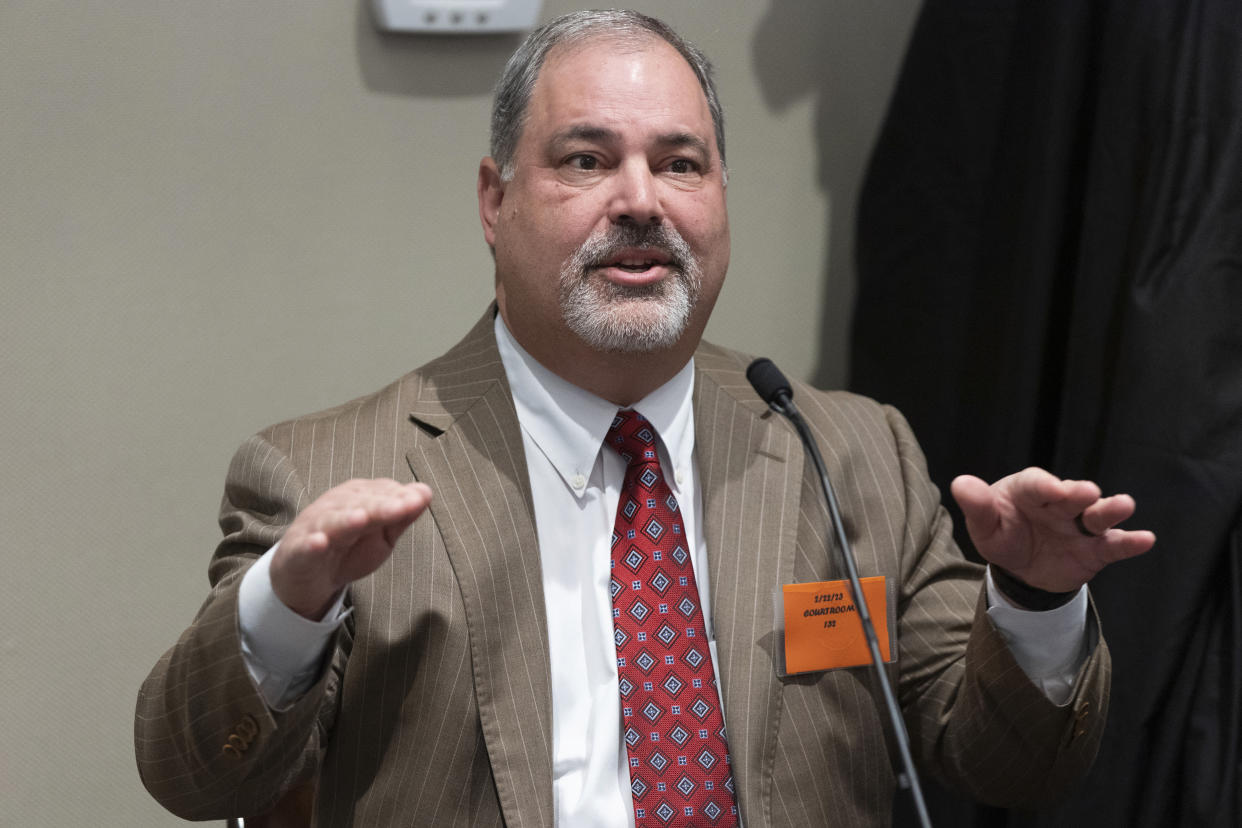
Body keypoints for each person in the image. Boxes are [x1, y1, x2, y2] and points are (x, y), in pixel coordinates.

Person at [135, 10, 1155, 827]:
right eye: (586, 160)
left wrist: (1029, 599)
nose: (641, 200)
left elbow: (1009, 764)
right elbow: (194, 777)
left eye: (680, 163)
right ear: (496, 201)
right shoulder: (326, 472)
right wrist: (290, 604)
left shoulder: (853, 453)